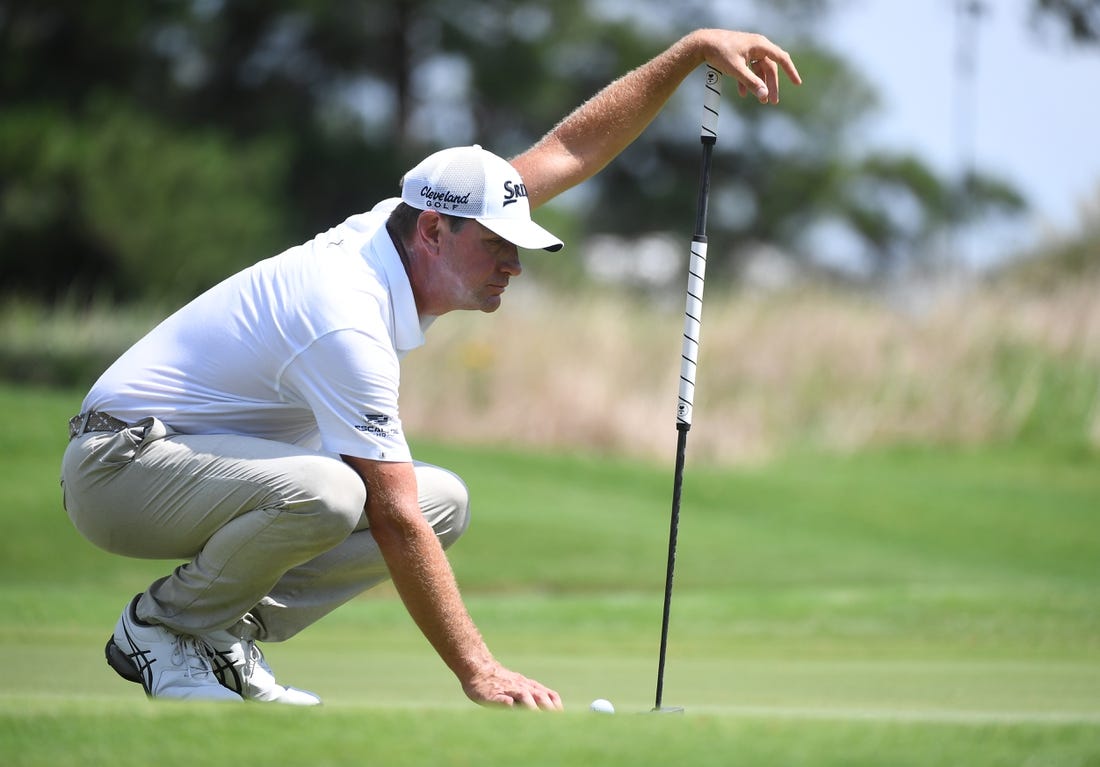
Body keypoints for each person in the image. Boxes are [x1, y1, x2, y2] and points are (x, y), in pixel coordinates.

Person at [60, 28, 800, 709]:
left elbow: (571, 149)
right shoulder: (345, 311)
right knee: (339, 494)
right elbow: (392, 514)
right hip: (120, 464)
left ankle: (219, 632)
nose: (513, 263)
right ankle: (160, 628)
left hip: (202, 458)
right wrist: (478, 667)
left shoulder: (420, 218)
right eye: (497, 245)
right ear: (435, 233)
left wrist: (688, 52)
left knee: (443, 497)